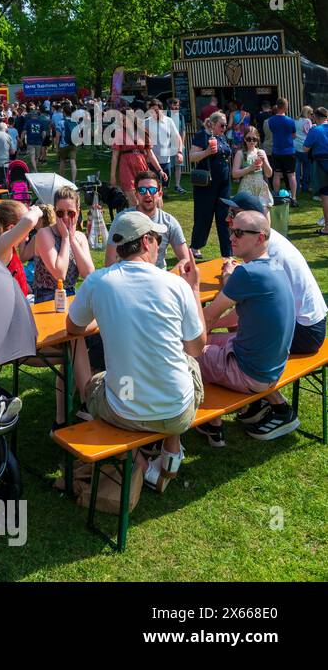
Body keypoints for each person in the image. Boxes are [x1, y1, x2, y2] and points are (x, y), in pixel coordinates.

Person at [67, 211, 207, 492]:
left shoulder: (98, 282)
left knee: (76, 344)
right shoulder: (176, 285)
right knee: (185, 364)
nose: (158, 245)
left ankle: (139, 459)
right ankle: (169, 451)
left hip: (123, 411)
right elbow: (196, 347)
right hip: (177, 411)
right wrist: (194, 289)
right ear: (145, 242)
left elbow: (73, 326)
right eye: (156, 239)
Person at [195, 210, 297, 443]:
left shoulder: (247, 273)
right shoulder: (274, 265)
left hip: (250, 375)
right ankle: (264, 407)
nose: (231, 237)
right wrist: (230, 277)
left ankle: (212, 423)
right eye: (231, 231)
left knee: (186, 353)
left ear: (260, 238)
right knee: (209, 341)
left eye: (239, 233)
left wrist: (191, 288)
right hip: (272, 368)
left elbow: (207, 319)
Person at [222, 191, 325, 358]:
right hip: (310, 324)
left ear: (251, 217)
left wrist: (208, 326)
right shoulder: (265, 239)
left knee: (233, 334)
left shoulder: (269, 252)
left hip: (305, 332)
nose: (227, 219)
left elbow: (245, 301)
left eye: (233, 213)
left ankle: (244, 366)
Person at [105, 171, 192, 270]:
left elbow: (185, 258)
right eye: (142, 190)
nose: (147, 194)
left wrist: (168, 278)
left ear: (159, 194)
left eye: (152, 189)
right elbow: (110, 260)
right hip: (128, 277)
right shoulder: (122, 220)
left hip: (159, 280)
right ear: (136, 194)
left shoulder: (169, 222)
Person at [31, 185, 95, 304]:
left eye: (70, 213)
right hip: (47, 297)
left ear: (78, 211)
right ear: (55, 211)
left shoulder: (79, 237)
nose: (65, 217)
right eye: (60, 213)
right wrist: (65, 238)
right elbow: (59, 274)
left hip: (71, 294)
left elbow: (89, 274)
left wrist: (72, 239)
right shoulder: (44, 234)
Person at [188, 111, 233, 259]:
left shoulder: (222, 136)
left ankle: (227, 253)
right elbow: (192, 156)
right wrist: (207, 151)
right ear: (212, 124)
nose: (224, 127)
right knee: (204, 215)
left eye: (226, 125)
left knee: (224, 216)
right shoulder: (203, 135)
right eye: (221, 125)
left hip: (224, 183)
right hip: (207, 184)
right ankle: (195, 247)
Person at [0, 198, 43, 298]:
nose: (29, 232)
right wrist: (35, 212)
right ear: (12, 229)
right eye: (28, 229)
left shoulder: (8, 247)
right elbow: (29, 220)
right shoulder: (0, 245)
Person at [301, 107, 328, 234]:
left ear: (315, 117)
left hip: (321, 163)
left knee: (325, 195)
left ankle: (327, 227)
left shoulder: (315, 130)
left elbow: (305, 148)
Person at [267, 98, 298, 205]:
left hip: (276, 151)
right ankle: (293, 198)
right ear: (285, 106)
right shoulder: (290, 121)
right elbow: (293, 135)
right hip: (289, 151)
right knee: (291, 175)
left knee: (276, 174)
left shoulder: (271, 120)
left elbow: (273, 131)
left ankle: (276, 196)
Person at [231, 129, 273, 209]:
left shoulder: (261, 152)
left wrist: (264, 161)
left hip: (260, 187)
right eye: (249, 139)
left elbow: (269, 174)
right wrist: (249, 168)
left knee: (265, 219)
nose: (252, 142)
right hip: (246, 188)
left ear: (258, 139)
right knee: (249, 216)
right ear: (244, 139)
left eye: (254, 139)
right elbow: (234, 174)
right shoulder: (240, 153)